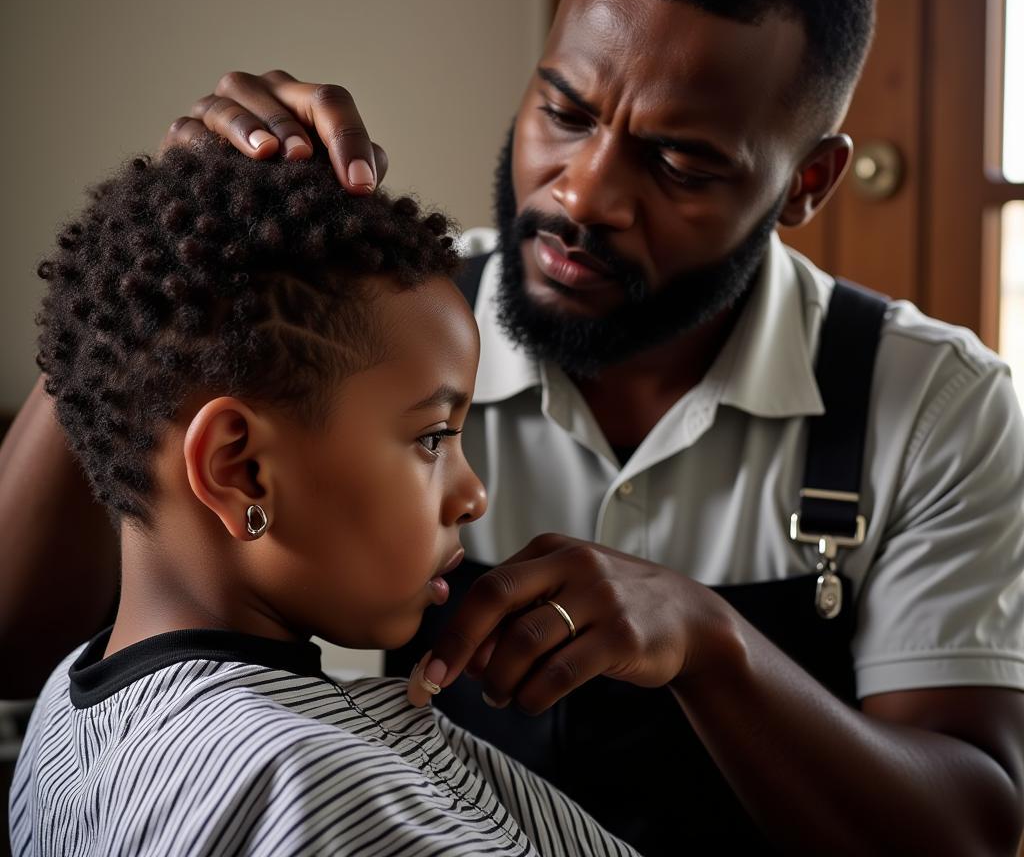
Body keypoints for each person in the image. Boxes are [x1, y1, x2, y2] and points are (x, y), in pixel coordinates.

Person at [2, 0, 1022, 856]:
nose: (581, 195)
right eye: (565, 112)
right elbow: (15, 640)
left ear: (807, 182)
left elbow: (967, 830)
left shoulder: (936, 407)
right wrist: (156, 269)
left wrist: (714, 648)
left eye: (679, 161)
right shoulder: (375, 336)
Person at [9, 140, 640, 857]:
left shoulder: (71, 698)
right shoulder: (311, 795)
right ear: (240, 469)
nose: (473, 495)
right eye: (433, 437)